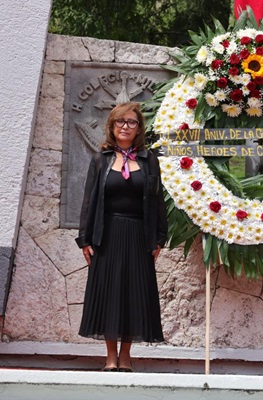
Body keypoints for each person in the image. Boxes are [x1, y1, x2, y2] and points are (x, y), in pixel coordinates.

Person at [75, 102, 167, 372]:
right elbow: (89, 201)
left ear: (139, 128)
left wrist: (159, 239)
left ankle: (126, 355)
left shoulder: (149, 160)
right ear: (112, 126)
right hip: (107, 235)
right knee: (108, 293)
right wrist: (85, 239)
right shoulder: (100, 160)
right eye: (120, 122)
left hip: (139, 235)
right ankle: (110, 357)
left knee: (133, 293)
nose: (125, 127)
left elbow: (158, 201)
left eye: (131, 122)